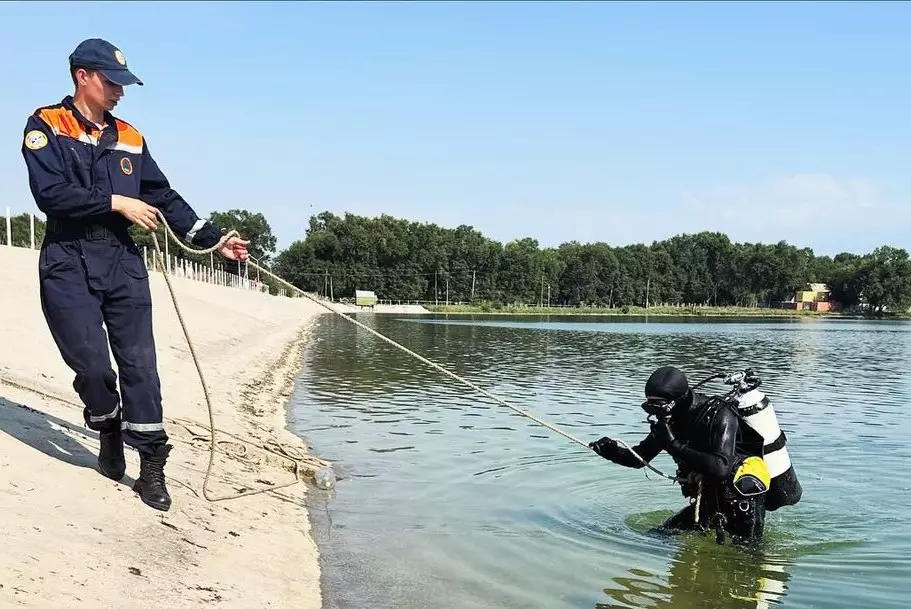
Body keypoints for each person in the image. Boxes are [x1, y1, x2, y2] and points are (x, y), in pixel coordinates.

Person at [20, 38, 249, 512]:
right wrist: (114, 202)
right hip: (67, 258)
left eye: (124, 84)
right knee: (94, 368)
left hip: (123, 261)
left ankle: (150, 468)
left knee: (141, 366)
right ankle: (106, 424)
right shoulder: (45, 125)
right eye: (111, 82)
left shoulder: (131, 136)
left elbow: (163, 195)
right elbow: (50, 194)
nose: (120, 92)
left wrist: (215, 240)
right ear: (83, 76)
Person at [589, 366, 770, 544]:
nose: (657, 414)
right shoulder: (669, 422)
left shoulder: (719, 414)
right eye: (649, 408)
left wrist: (673, 445)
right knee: (656, 536)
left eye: (660, 407)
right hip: (708, 500)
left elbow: (720, 468)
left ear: (681, 399)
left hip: (741, 501)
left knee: (747, 561)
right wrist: (611, 452)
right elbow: (639, 458)